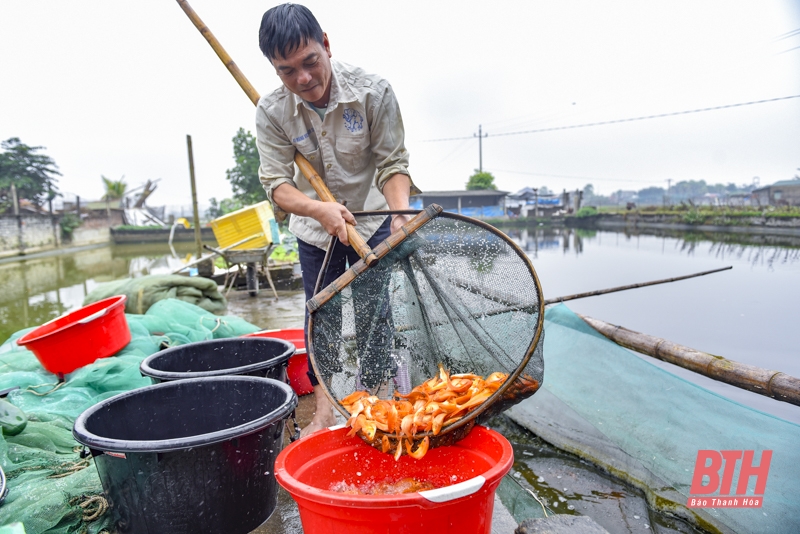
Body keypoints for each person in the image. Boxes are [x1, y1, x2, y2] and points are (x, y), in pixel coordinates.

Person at [255, 4, 419, 438]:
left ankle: (374, 401)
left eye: (310, 62)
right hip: (315, 231)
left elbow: (392, 163)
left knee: (373, 315)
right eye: (288, 71)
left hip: (371, 220)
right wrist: (317, 209)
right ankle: (325, 412)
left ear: (325, 44)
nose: (304, 79)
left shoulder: (372, 92)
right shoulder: (272, 112)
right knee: (321, 316)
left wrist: (400, 213)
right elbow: (275, 184)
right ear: (275, 70)